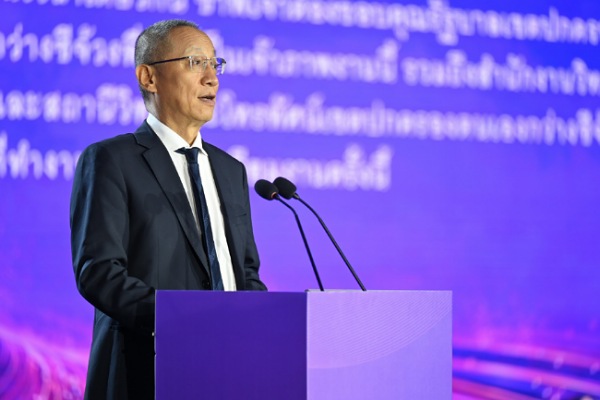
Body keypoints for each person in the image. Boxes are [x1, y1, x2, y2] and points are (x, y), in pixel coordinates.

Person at [70, 19, 267, 399]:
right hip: (146, 370)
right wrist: (182, 322)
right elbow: (99, 273)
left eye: (215, 63)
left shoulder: (230, 170)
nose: (212, 78)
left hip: (228, 370)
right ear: (149, 78)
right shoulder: (112, 159)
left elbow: (245, 271)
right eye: (195, 63)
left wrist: (258, 323)